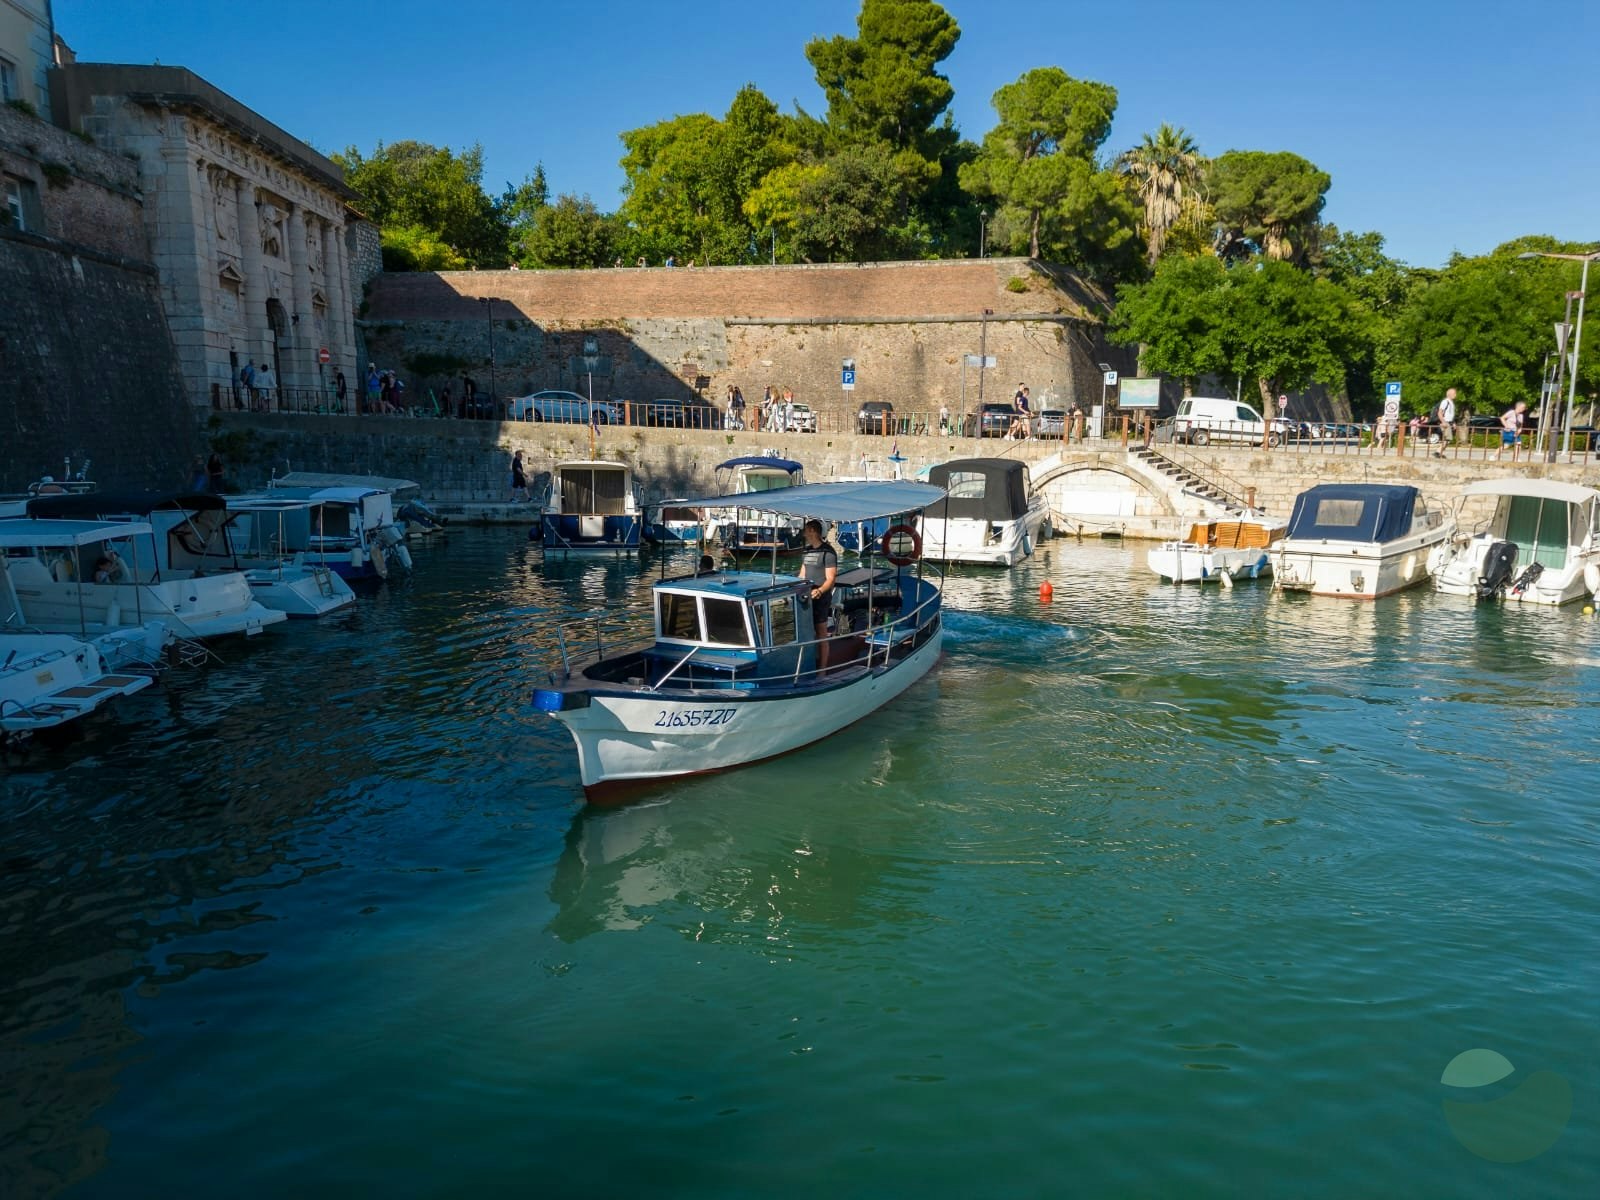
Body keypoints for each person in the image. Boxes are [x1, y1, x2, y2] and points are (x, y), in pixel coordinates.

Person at [799, 519, 838, 674]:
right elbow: (802, 574)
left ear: (813, 531)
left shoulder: (828, 553)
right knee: (805, 630)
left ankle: (822, 669)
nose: (804, 534)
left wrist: (820, 591)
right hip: (806, 595)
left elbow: (831, 579)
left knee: (821, 631)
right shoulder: (806, 551)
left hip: (821, 597)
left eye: (806, 530)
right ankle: (807, 663)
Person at [1434, 387, 1457, 455]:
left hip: (1449, 423)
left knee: (1447, 439)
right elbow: (1439, 413)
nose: (1455, 395)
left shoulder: (1451, 402)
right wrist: (1444, 422)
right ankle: (1438, 452)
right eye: (1454, 393)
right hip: (1445, 423)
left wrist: (1453, 423)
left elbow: (1450, 415)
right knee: (1447, 439)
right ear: (1449, 394)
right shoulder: (1445, 401)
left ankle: (1439, 452)